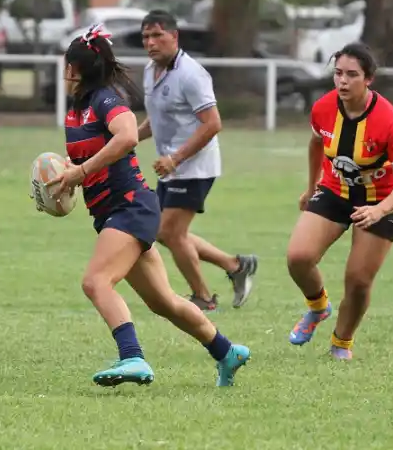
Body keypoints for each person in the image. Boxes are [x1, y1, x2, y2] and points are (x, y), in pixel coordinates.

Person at [46, 23, 250, 387]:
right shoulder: (76, 111)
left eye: (67, 64)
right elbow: (84, 159)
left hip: (130, 207)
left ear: (74, 69)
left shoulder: (106, 100)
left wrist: (83, 172)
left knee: (96, 282)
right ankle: (226, 351)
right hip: (111, 211)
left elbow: (126, 137)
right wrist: (65, 180)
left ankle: (133, 358)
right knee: (164, 302)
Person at [286, 42, 393, 360]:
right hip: (334, 191)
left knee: (358, 280)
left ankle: (341, 343)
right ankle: (318, 308)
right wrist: (311, 186)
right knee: (298, 258)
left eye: (352, 75)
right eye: (338, 73)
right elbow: (316, 144)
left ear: (369, 78)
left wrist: (380, 210)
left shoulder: (390, 121)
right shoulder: (323, 108)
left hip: (380, 200)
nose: (342, 81)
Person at [136, 9, 258, 312]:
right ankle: (235, 265)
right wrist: (127, 140)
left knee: (168, 232)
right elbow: (156, 119)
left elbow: (212, 123)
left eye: (157, 35)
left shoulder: (191, 74)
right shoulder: (150, 71)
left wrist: (176, 158)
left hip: (194, 166)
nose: (151, 43)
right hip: (172, 166)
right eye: (146, 37)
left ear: (174, 37)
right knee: (168, 233)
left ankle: (203, 297)